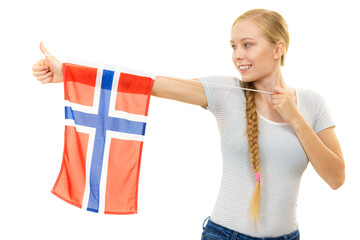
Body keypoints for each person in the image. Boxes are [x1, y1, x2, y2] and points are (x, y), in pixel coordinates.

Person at [32, 8, 345, 240]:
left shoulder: (311, 102)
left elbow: (336, 178)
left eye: (247, 45)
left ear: (278, 49)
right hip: (224, 236)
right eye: (233, 46)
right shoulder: (226, 92)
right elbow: (152, 83)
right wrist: (70, 73)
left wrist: (296, 120)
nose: (237, 55)